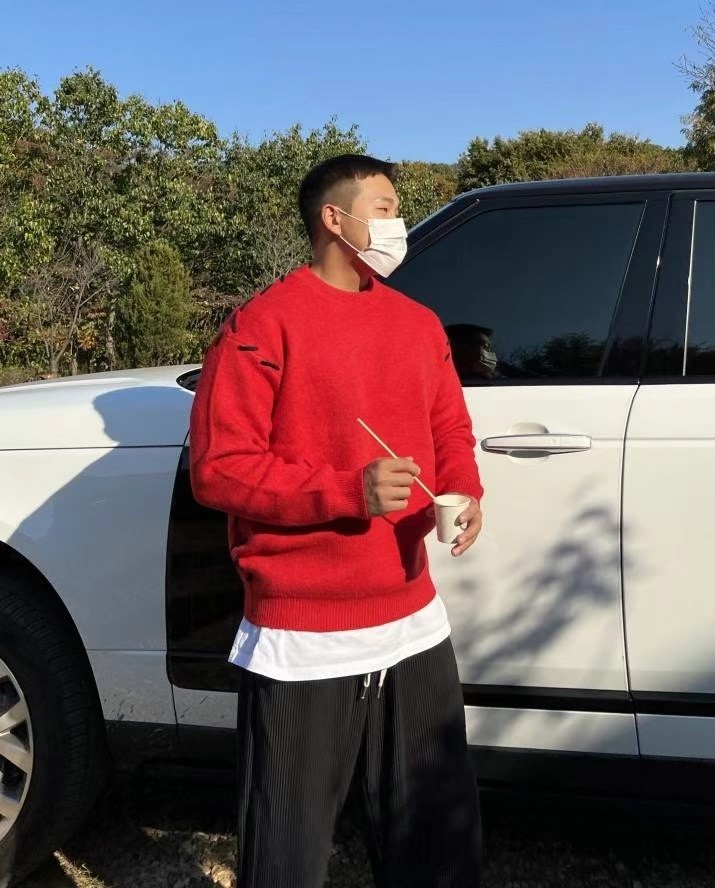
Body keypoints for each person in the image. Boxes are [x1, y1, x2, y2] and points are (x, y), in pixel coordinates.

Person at [189, 154, 484, 888]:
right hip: (302, 633)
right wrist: (347, 492)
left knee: (436, 836)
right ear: (334, 218)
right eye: (384, 208)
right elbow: (219, 468)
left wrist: (463, 490)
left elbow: (449, 427)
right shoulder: (262, 325)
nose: (397, 223)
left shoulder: (417, 324)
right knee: (286, 847)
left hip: (413, 620)